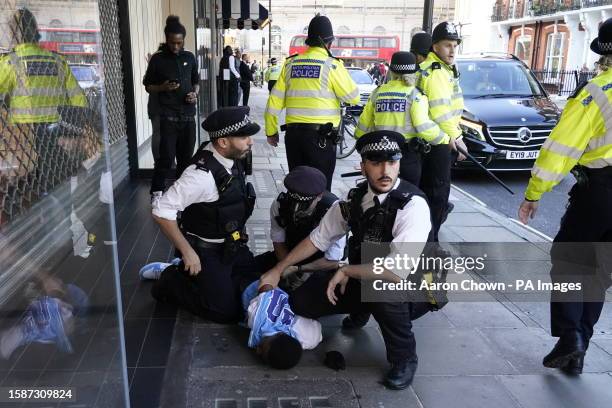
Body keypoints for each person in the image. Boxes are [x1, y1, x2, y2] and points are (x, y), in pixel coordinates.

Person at [258, 131, 432, 390]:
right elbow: (318, 239)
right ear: (362, 166)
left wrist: (347, 270)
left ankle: (404, 357)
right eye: (376, 162)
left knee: (382, 290)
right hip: (365, 275)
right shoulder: (354, 200)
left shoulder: (412, 205)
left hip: (416, 285)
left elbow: (397, 272)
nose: (386, 171)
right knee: (302, 300)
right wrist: (278, 269)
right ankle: (362, 308)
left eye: (392, 162)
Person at [518, 18, 612, 376]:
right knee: (599, 273)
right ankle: (579, 350)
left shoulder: (597, 92)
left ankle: (571, 338)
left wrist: (534, 192)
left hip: (600, 193)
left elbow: (560, 149)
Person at [150, 106, 259, 323]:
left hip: (232, 245)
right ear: (223, 142)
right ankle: (171, 278)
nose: (251, 142)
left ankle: (203, 278)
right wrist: (188, 251)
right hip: (206, 252)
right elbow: (161, 211)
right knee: (224, 311)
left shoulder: (229, 156)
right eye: (244, 136)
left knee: (254, 283)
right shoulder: (200, 177)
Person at [264, 14, 360, 190]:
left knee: (297, 187)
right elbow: (353, 97)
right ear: (328, 42)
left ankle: (294, 216)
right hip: (321, 140)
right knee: (320, 190)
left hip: (294, 138)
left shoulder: (290, 64)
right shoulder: (332, 65)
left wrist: (271, 131)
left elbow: (274, 102)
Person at [0, 7, 88, 195]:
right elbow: (79, 99)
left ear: (15, 34)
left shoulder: (10, 63)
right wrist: (78, 131)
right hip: (58, 132)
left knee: (30, 187)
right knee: (57, 184)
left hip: (25, 136)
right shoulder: (57, 61)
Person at [355, 51, 447, 185]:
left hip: (380, 153)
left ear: (391, 71)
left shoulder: (378, 92)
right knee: (407, 197)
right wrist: (445, 138)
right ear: (414, 73)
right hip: (406, 157)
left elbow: (363, 124)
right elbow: (423, 126)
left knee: (381, 195)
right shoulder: (415, 94)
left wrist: (360, 139)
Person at [416, 21, 468, 242]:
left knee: (432, 195)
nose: (453, 50)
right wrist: (457, 138)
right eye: (448, 45)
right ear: (435, 47)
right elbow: (441, 112)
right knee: (437, 196)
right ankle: (430, 245)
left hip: (435, 141)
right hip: (439, 144)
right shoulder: (437, 72)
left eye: (455, 45)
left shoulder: (441, 69)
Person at [255, 166, 346, 291]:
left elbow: (333, 260)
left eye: (304, 205)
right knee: (250, 269)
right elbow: (278, 240)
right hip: (289, 256)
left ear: (319, 196)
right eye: (292, 202)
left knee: (305, 300)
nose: (296, 210)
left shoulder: (334, 210)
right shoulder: (280, 204)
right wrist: (285, 268)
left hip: (321, 263)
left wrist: (301, 270)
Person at [143, 16, 199, 199]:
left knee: (186, 160)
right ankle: (157, 192)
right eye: (172, 43)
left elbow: (195, 82)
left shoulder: (189, 57)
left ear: (184, 40)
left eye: (179, 43)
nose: (176, 47)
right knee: (165, 158)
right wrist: (162, 87)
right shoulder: (158, 60)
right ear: (166, 39)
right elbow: (148, 85)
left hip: (188, 117)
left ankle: (181, 194)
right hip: (168, 118)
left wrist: (194, 94)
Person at [241, 281, 322, 369]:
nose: (257, 351)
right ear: (281, 333)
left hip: (281, 292)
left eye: (261, 357)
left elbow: (315, 322)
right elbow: (265, 285)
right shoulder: (257, 319)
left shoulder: (309, 339)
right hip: (257, 287)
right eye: (261, 347)